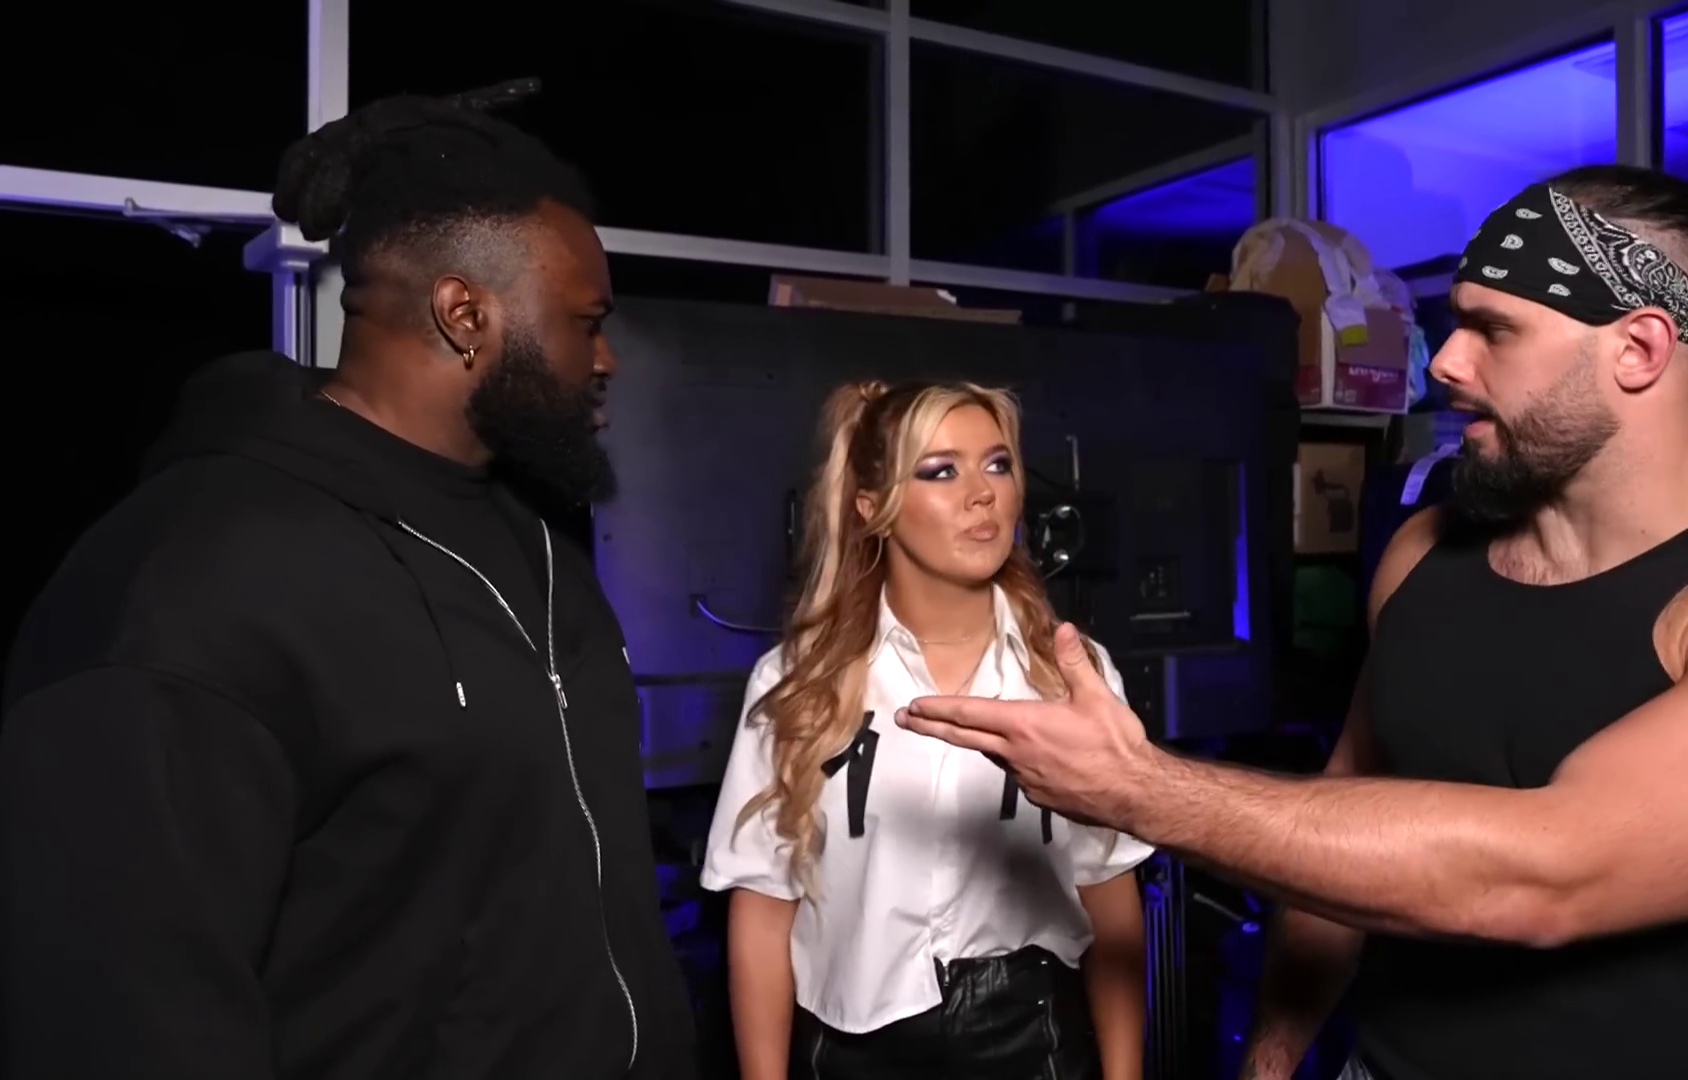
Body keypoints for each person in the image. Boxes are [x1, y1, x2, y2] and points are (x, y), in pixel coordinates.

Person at [895, 165, 1688, 1080]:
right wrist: (1276, 1052)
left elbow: (1540, 877)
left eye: (1494, 330)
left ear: (1640, 349)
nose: (1444, 362)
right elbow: (1345, 810)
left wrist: (1141, 789)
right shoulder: (1428, 548)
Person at [0, 81, 696, 1079]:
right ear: (465, 314)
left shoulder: (540, 549)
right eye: (586, 322)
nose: (607, 359)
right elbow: (118, 1014)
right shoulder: (188, 583)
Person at [701, 381, 1152, 1080]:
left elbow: (1111, 894)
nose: (983, 494)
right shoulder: (795, 682)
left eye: (998, 464)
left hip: (1034, 1042)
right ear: (872, 506)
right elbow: (762, 908)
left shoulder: (1073, 676)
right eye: (941, 471)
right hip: (850, 1052)